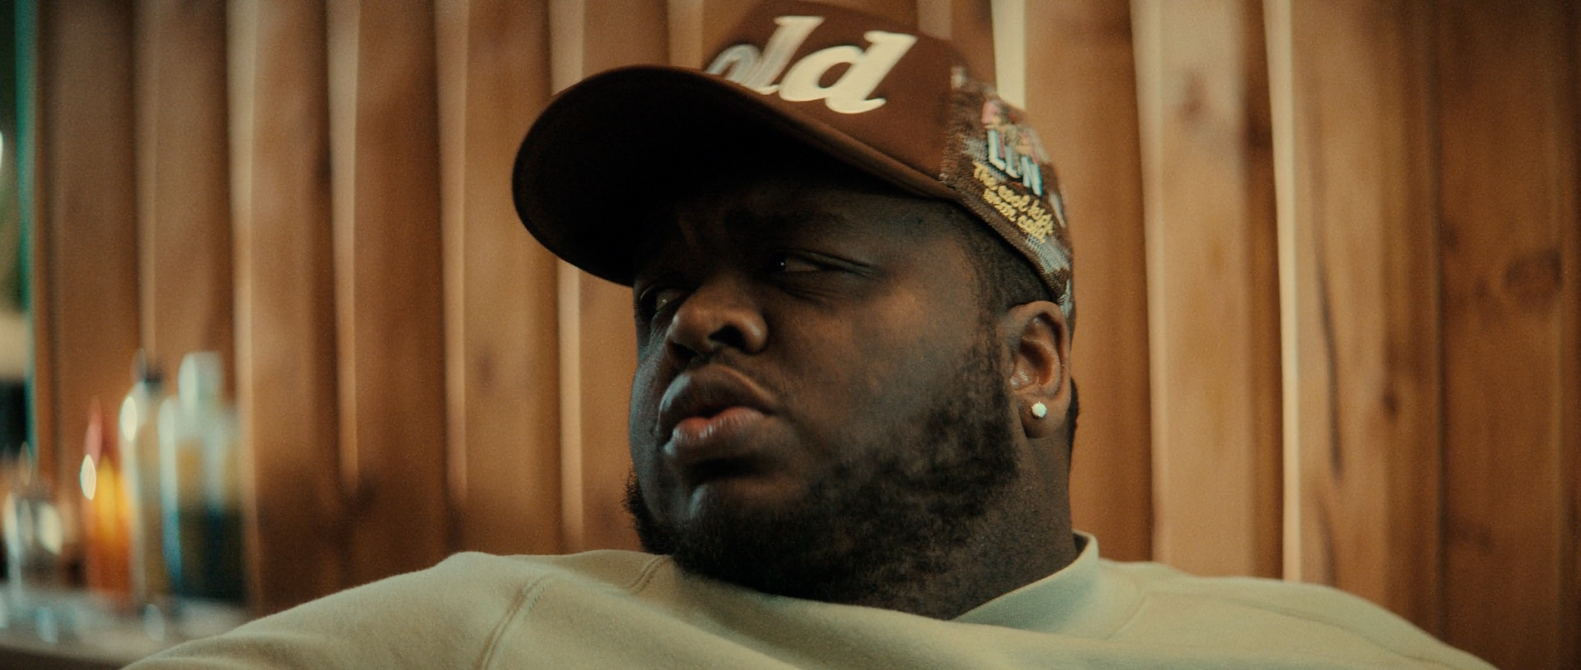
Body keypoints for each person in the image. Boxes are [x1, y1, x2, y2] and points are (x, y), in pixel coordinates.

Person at [133, 2, 1490, 667]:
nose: (697, 318)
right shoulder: (490, 632)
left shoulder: (1322, 651)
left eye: (797, 260)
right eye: (660, 296)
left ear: (1031, 361)